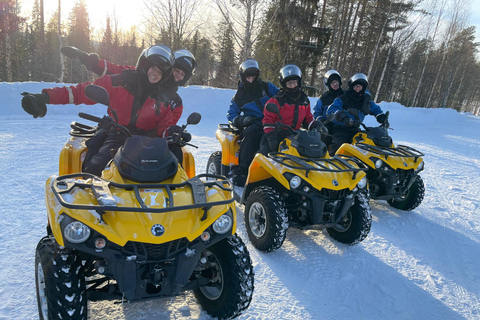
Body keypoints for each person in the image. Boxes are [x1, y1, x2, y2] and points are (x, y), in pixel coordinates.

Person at [21, 44, 181, 176]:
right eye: (153, 68)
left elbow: (165, 124)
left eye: (160, 72)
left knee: (169, 172)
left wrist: (172, 131)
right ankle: (92, 211)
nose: (155, 74)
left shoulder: (162, 98)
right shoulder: (120, 81)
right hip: (119, 134)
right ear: (144, 66)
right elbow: (79, 92)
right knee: (95, 169)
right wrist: (45, 98)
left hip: (148, 141)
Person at [60, 46, 197, 125]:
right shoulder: (142, 76)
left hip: (151, 143)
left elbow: (167, 126)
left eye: (182, 75)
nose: (177, 76)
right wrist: (88, 61)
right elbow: (116, 72)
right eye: (176, 71)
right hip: (120, 131)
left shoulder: (175, 102)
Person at [226, 59, 279, 186]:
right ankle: (243, 169)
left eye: (253, 77)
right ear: (243, 77)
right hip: (254, 123)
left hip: (273, 121)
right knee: (252, 134)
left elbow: (281, 97)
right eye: (248, 78)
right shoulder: (239, 95)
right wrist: (242, 120)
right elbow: (231, 114)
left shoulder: (267, 87)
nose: (251, 80)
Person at [260, 64, 320, 154]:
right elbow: (268, 120)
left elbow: (308, 118)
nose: (292, 86)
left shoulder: (304, 101)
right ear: (284, 85)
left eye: (294, 82)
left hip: (295, 136)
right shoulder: (276, 100)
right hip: (276, 135)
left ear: (299, 82)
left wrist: (316, 125)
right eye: (289, 83)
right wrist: (271, 138)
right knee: (265, 155)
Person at [326, 73, 388, 155]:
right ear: (352, 86)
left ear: (363, 87)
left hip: (355, 129)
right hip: (340, 129)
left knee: (366, 144)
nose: (357, 88)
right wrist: (343, 117)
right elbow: (331, 109)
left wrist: (381, 117)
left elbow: (375, 109)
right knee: (339, 145)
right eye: (355, 86)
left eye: (360, 86)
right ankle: (333, 162)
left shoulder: (365, 100)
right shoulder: (344, 98)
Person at [313, 70, 344, 147]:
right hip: (328, 125)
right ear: (328, 85)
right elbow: (317, 112)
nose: (335, 84)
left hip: (343, 125)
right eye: (332, 82)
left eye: (336, 81)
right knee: (322, 138)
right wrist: (321, 120)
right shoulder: (324, 97)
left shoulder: (346, 95)